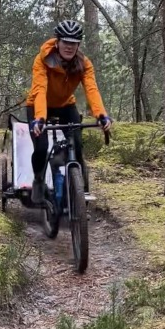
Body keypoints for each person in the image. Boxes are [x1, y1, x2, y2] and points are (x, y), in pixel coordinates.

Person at [25, 20, 112, 204]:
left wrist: (101, 114)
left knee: (78, 146)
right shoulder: (43, 59)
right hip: (39, 105)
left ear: (78, 45)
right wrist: (40, 118)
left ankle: (79, 192)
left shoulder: (84, 64)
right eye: (66, 42)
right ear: (57, 42)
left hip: (66, 105)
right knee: (41, 148)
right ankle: (39, 180)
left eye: (74, 43)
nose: (69, 46)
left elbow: (92, 89)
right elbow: (40, 89)